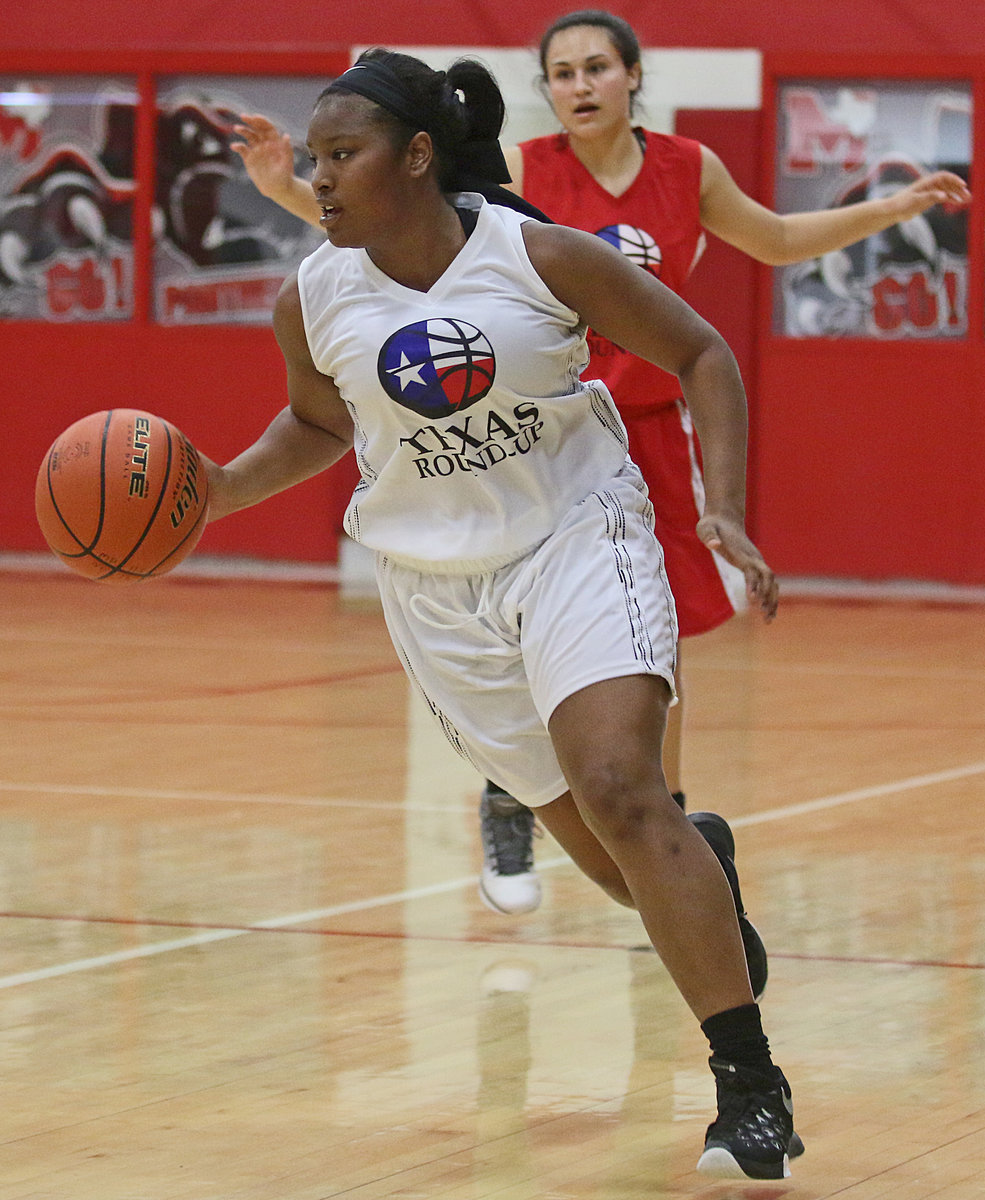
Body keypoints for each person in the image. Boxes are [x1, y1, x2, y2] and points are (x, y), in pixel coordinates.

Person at [230, 11, 971, 927]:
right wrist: (287, 192)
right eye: (560, 73)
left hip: (646, 435)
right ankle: (513, 802)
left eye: (594, 68)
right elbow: (393, 224)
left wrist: (893, 209)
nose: (578, 86)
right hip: (529, 434)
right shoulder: (527, 171)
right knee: (531, 660)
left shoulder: (686, 169)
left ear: (631, 77)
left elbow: (776, 240)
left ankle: (674, 835)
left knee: (648, 662)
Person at [208, 47, 801, 1180]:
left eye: (343, 156)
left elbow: (700, 351)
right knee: (615, 859)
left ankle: (748, 1086)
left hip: (577, 535)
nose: (319, 180)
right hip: (435, 592)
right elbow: (320, 423)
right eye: (315, 161)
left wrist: (719, 512)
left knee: (626, 789)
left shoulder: (535, 253)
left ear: (417, 157)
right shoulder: (313, 293)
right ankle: (700, 870)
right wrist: (223, 489)